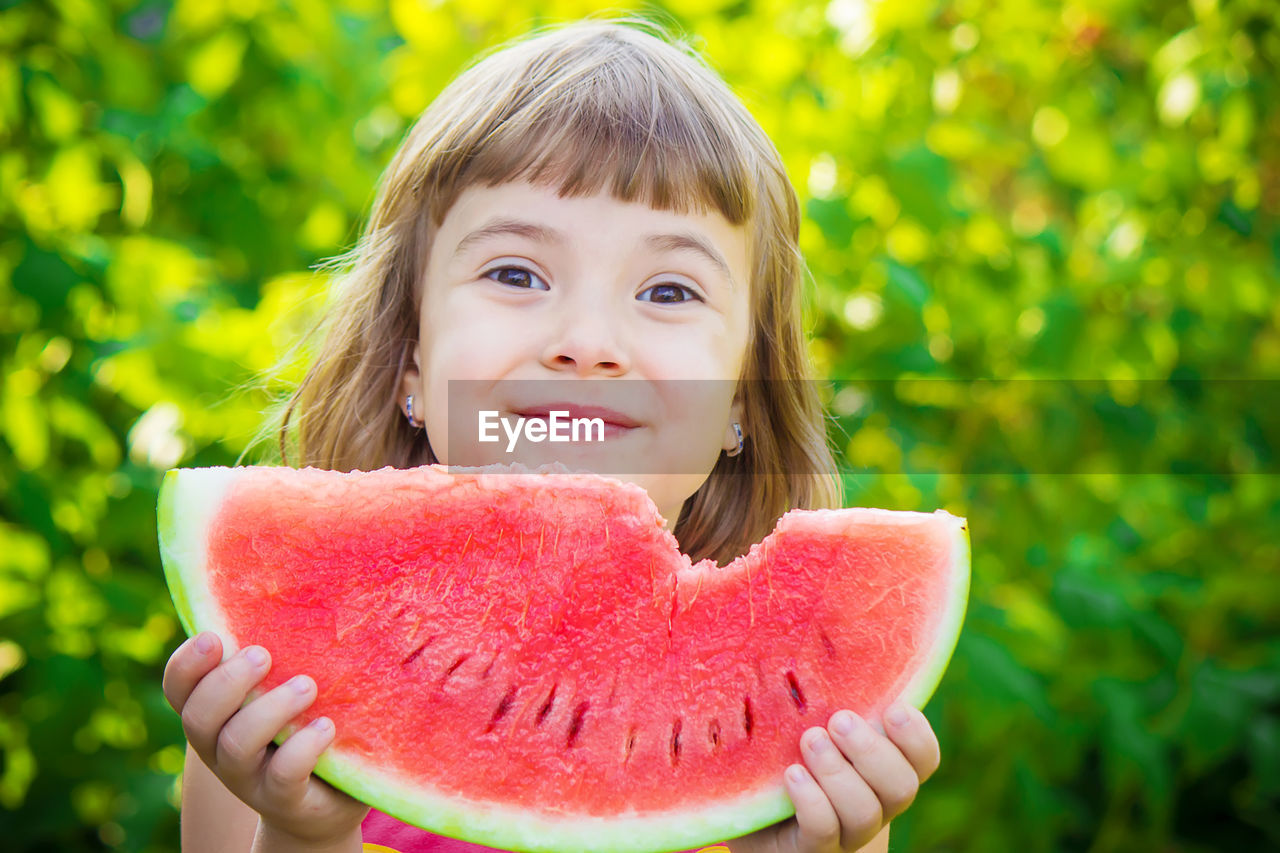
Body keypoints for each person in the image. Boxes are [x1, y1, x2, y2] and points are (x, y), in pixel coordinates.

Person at [161, 16, 941, 853]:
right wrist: (303, 834)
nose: (587, 341)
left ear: (742, 402)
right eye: (515, 273)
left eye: (670, 291)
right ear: (409, 369)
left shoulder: (802, 739)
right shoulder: (274, 690)